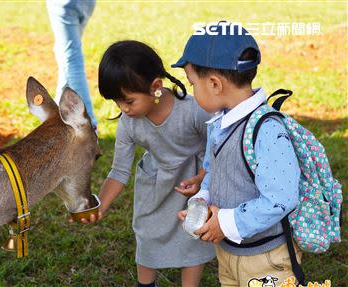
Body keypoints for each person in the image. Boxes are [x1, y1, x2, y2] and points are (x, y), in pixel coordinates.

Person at [173, 22, 302, 286]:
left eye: (192, 83)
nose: (192, 91)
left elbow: (282, 198)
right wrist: (202, 203)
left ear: (215, 84)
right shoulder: (220, 123)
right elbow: (212, 173)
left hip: (267, 259)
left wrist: (225, 221)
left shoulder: (266, 130)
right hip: (229, 253)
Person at [85, 40, 215, 287]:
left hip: (194, 181)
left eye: (128, 101)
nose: (123, 109)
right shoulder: (129, 122)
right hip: (155, 185)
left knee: (192, 236)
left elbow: (217, 146)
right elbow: (119, 170)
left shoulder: (192, 110)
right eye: (116, 102)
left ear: (156, 87)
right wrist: (101, 205)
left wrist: (202, 177)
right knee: (147, 233)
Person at [46, 0, 98, 128]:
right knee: (63, 52)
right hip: (87, 3)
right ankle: (57, 111)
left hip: (64, 4)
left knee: (72, 59)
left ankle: (89, 125)